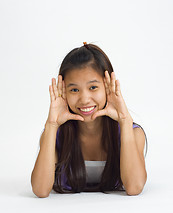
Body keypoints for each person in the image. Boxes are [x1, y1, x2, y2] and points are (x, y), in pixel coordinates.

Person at [31, 42, 148, 198]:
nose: (84, 99)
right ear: (63, 92)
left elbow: (134, 187)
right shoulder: (55, 135)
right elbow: (40, 190)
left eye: (93, 87)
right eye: (74, 90)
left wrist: (124, 120)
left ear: (108, 87)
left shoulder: (132, 133)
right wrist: (51, 125)